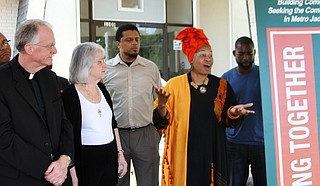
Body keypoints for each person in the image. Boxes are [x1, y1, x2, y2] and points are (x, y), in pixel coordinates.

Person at [153, 27, 255, 186]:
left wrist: (233, 112)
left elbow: (230, 121)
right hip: (184, 155)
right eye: (203, 55)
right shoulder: (174, 85)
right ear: (191, 59)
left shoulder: (221, 85)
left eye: (210, 55)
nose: (209, 59)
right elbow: (160, 123)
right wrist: (161, 105)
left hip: (213, 154)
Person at [0, 19, 74, 186]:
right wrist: (47, 169)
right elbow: (3, 137)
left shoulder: (51, 78)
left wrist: (65, 159)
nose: (54, 51)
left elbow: (64, 123)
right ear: (29, 48)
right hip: (22, 177)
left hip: (60, 175)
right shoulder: (2, 80)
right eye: (49, 46)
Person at [103, 24, 162, 186]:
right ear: (118, 44)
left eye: (137, 39)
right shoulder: (106, 69)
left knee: (149, 182)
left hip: (145, 134)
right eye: (128, 40)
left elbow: (160, 99)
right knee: (118, 181)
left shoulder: (150, 68)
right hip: (116, 136)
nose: (134, 43)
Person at [62, 42, 127, 186]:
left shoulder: (102, 88)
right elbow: (67, 136)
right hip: (85, 159)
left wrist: (120, 154)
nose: (105, 65)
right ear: (85, 64)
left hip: (109, 156)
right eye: (100, 61)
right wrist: (72, 171)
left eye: (104, 60)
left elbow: (112, 124)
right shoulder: (70, 94)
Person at [222, 36, 266, 186]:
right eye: (241, 54)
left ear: (254, 52)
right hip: (234, 143)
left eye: (250, 53)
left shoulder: (266, 75)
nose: (246, 58)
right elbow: (220, 112)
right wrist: (233, 111)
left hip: (262, 143)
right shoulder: (226, 79)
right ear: (234, 53)